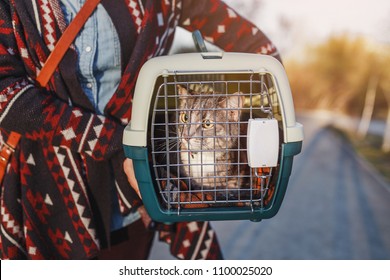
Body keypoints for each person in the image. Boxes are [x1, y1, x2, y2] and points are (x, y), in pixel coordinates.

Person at [0, 0, 280, 259]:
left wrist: (256, 118)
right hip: (42, 194)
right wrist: (117, 142)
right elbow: (4, 91)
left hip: (134, 198)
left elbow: (258, 49)